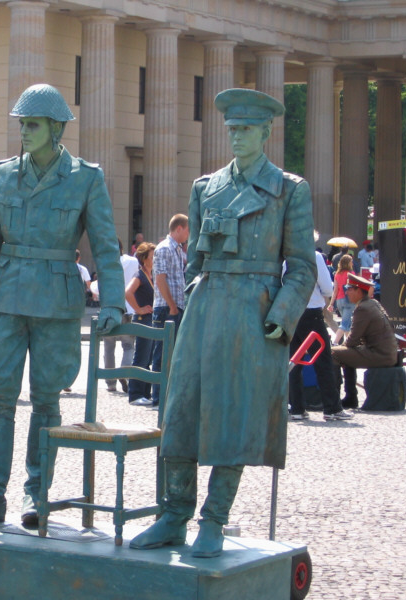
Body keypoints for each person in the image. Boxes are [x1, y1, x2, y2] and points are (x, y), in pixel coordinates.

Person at [130, 89, 316, 557]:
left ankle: (213, 519)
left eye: (247, 129)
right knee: (181, 411)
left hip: (253, 313)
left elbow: (301, 265)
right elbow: (193, 260)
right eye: (232, 129)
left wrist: (281, 314)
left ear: (266, 132)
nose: (237, 137)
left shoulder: (289, 188)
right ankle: (174, 514)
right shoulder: (204, 187)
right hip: (206, 308)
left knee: (232, 416)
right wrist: (196, 293)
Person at [0, 83, 125, 529]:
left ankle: (37, 495)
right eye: (22, 124)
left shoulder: (87, 177)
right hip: (8, 301)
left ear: (56, 128)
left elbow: (106, 246)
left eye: (32, 125)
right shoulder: (3, 174)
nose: (24, 132)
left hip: (56, 303)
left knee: (47, 402)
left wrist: (112, 302)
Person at [289, 236, 353, 422]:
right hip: (311, 312)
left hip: (291, 313)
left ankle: (297, 408)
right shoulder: (314, 257)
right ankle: (331, 408)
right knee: (323, 361)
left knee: (294, 362)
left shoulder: (285, 256)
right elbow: (327, 287)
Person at [331, 274, 398, 409]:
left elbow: (352, 340)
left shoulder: (362, 308)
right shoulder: (373, 303)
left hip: (379, 354)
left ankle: (334, 398)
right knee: (345, 354)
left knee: (333, 353)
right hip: (387, 353)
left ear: (359, 291)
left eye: (350, 289)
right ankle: (350, 397)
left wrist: (341, 349)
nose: (347, 292)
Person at [147, 214, 189, 408]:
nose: (189, 235)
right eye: (188, 230)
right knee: (161, 354)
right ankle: (158, 398)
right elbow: (161, 279)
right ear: (179, 228)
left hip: (175, 306)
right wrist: (172, 305)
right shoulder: (164, 248)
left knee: (171, 354)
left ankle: (165, 396)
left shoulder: (178, 250)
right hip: (166, 308)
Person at [102, 238, 137, 393]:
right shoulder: (133, 261)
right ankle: (125, 371)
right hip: (128, 309)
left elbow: (97, 288)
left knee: (109, 347)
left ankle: (110, 383)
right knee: (128, 346)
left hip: (109, 309)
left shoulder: (106, 264)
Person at [125, 242, 156, 405]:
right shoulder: (140, 275)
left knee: (148, 358)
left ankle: (145, 392)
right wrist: (139, 309)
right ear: (145, 259)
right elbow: (128, 292)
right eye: (152, 257)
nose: (155, 259)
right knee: (141, 357)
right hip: (143, 320)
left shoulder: (152, 275)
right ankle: (135, 394)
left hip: (151, 320)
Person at [327, 254, 355, 344]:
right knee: (345, 323)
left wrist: (331, 304)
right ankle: (335, 342)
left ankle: (348, 343)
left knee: (347, 323)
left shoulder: (337, 274)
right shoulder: (351, 274)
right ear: (348, 263)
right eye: (351, 261)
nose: (352, 263)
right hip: (349, 300)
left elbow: (335, 290)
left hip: (339, 300)